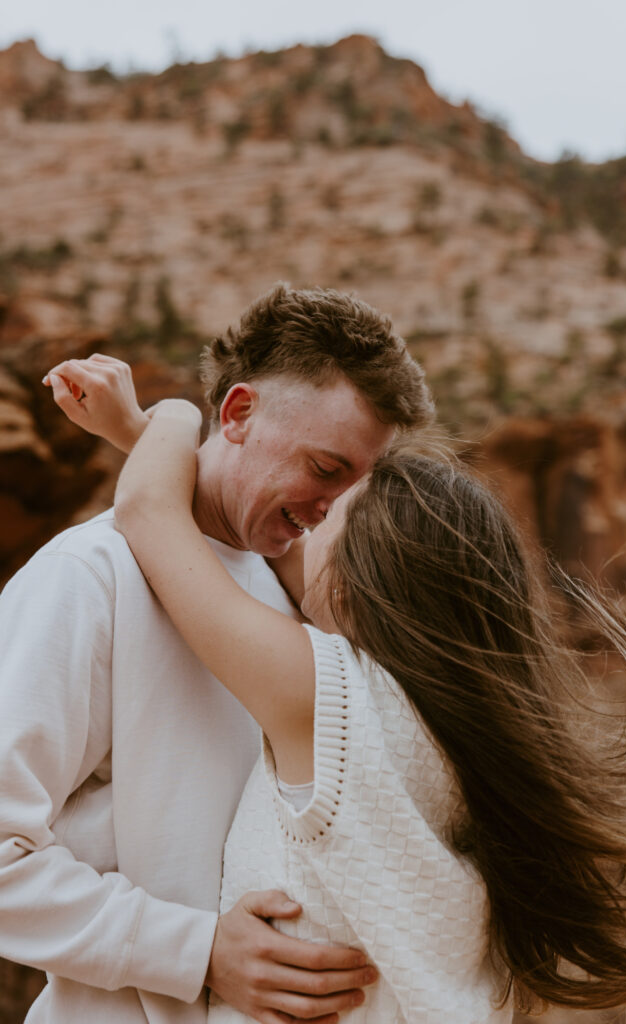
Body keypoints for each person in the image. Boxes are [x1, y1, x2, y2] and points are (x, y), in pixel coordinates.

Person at [52, 360, 626, 1021]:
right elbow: (266, 546)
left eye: (326, 516)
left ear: (346, 580)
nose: (304, 522)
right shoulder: (450, 716)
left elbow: (148, 511)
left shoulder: (325, 696)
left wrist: (167, 417)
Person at [0, 284, 433, 1024]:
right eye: (325, 468)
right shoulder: (87, 575)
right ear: (236, 414)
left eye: (356, 486)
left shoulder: (284, 598)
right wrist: (195, 951)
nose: (332, 508)